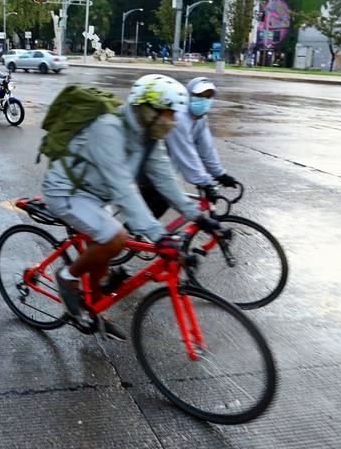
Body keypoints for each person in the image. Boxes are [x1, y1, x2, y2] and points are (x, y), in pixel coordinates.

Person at [41, 74, 221, 341]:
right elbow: (122, 188)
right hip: (67, 192)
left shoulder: (148, 138)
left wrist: (200, 217)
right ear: (146, 109)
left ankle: (93, 307)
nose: (172, 121)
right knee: (116, 237)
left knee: (107, 244)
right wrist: (159, 235)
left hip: (94, 197)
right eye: (168, 113)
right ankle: (67, 277)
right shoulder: (108, 128)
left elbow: (166, 181)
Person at [144, 77, 240, 215]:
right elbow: (186, 153)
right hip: (151, 167)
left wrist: (220, 174)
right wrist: (204, 182)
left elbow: (206, 149)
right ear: (189, 95)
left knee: (163, 203)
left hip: (166, 169)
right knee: (159, 205)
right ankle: (130, 234)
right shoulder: (179, 117)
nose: (204, 100)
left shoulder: (200, 119)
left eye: (208, 97)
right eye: (199, 96)